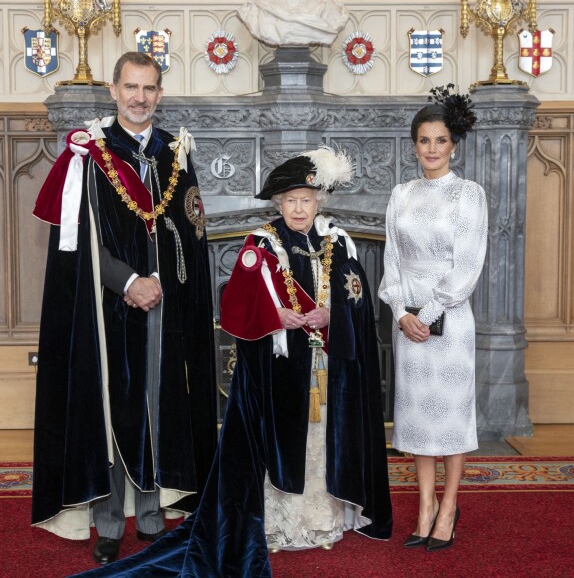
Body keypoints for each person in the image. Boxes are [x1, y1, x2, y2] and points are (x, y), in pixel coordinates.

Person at [74, 146, 393, 577]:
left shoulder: (340, 242)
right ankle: (280, 526)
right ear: (279, 204)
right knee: (282, 445)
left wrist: (333, 314)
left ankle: (322, 521)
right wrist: (275, 315)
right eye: (291, 201)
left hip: (324, 367)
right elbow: (236, 308)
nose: (299, 209)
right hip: (276, 370)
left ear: (320, 201)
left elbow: (357, 299)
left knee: (320, 444)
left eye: (307, 200)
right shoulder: (259, 245)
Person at [31, 51, 217, 565]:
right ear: (113, 90)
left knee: (160, 405)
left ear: (160, 93)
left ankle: (154, 516)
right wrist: (130, 281)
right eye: (131, 88)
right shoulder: (89, 155)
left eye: (149, 89)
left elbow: (190, 235)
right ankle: (110, 521)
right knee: (115, 407)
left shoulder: (173, 153)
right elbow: (79, 242)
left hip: (166, 305)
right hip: (106, 307)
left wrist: (164, 285)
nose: (140, 98)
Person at [379, 85, 487, 552]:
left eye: (440, 140)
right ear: (414, 145)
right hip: (410, 325)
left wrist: (428, 312)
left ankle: (449, 506)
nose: (432, 149)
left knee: (451, 419)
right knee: (418, 421)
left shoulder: (469, 194)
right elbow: (391, 261)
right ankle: (424, 506)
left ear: (454, 145)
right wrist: (401, 312)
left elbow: (468, 264)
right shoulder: (401, 194)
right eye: (424, 140)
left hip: (450, 320)